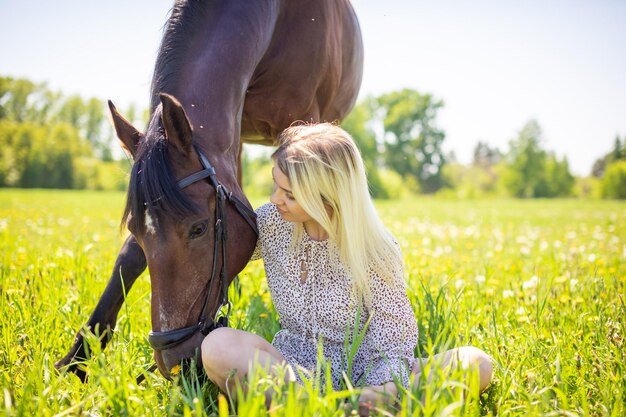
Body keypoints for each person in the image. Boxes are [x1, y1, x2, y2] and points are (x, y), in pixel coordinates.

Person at [201, 123, 492, 406]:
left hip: (367, 371)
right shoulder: (271, 222)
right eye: (276, 185)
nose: (275, 198)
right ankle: (331, 408)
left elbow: (393, 337)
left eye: (290, 194)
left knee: (475, 364)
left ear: (328, 198)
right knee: (217, 347)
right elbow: (217, 251)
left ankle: (348, 407)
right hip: (294, 372)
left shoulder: (375, 249)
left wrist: (381, 389)